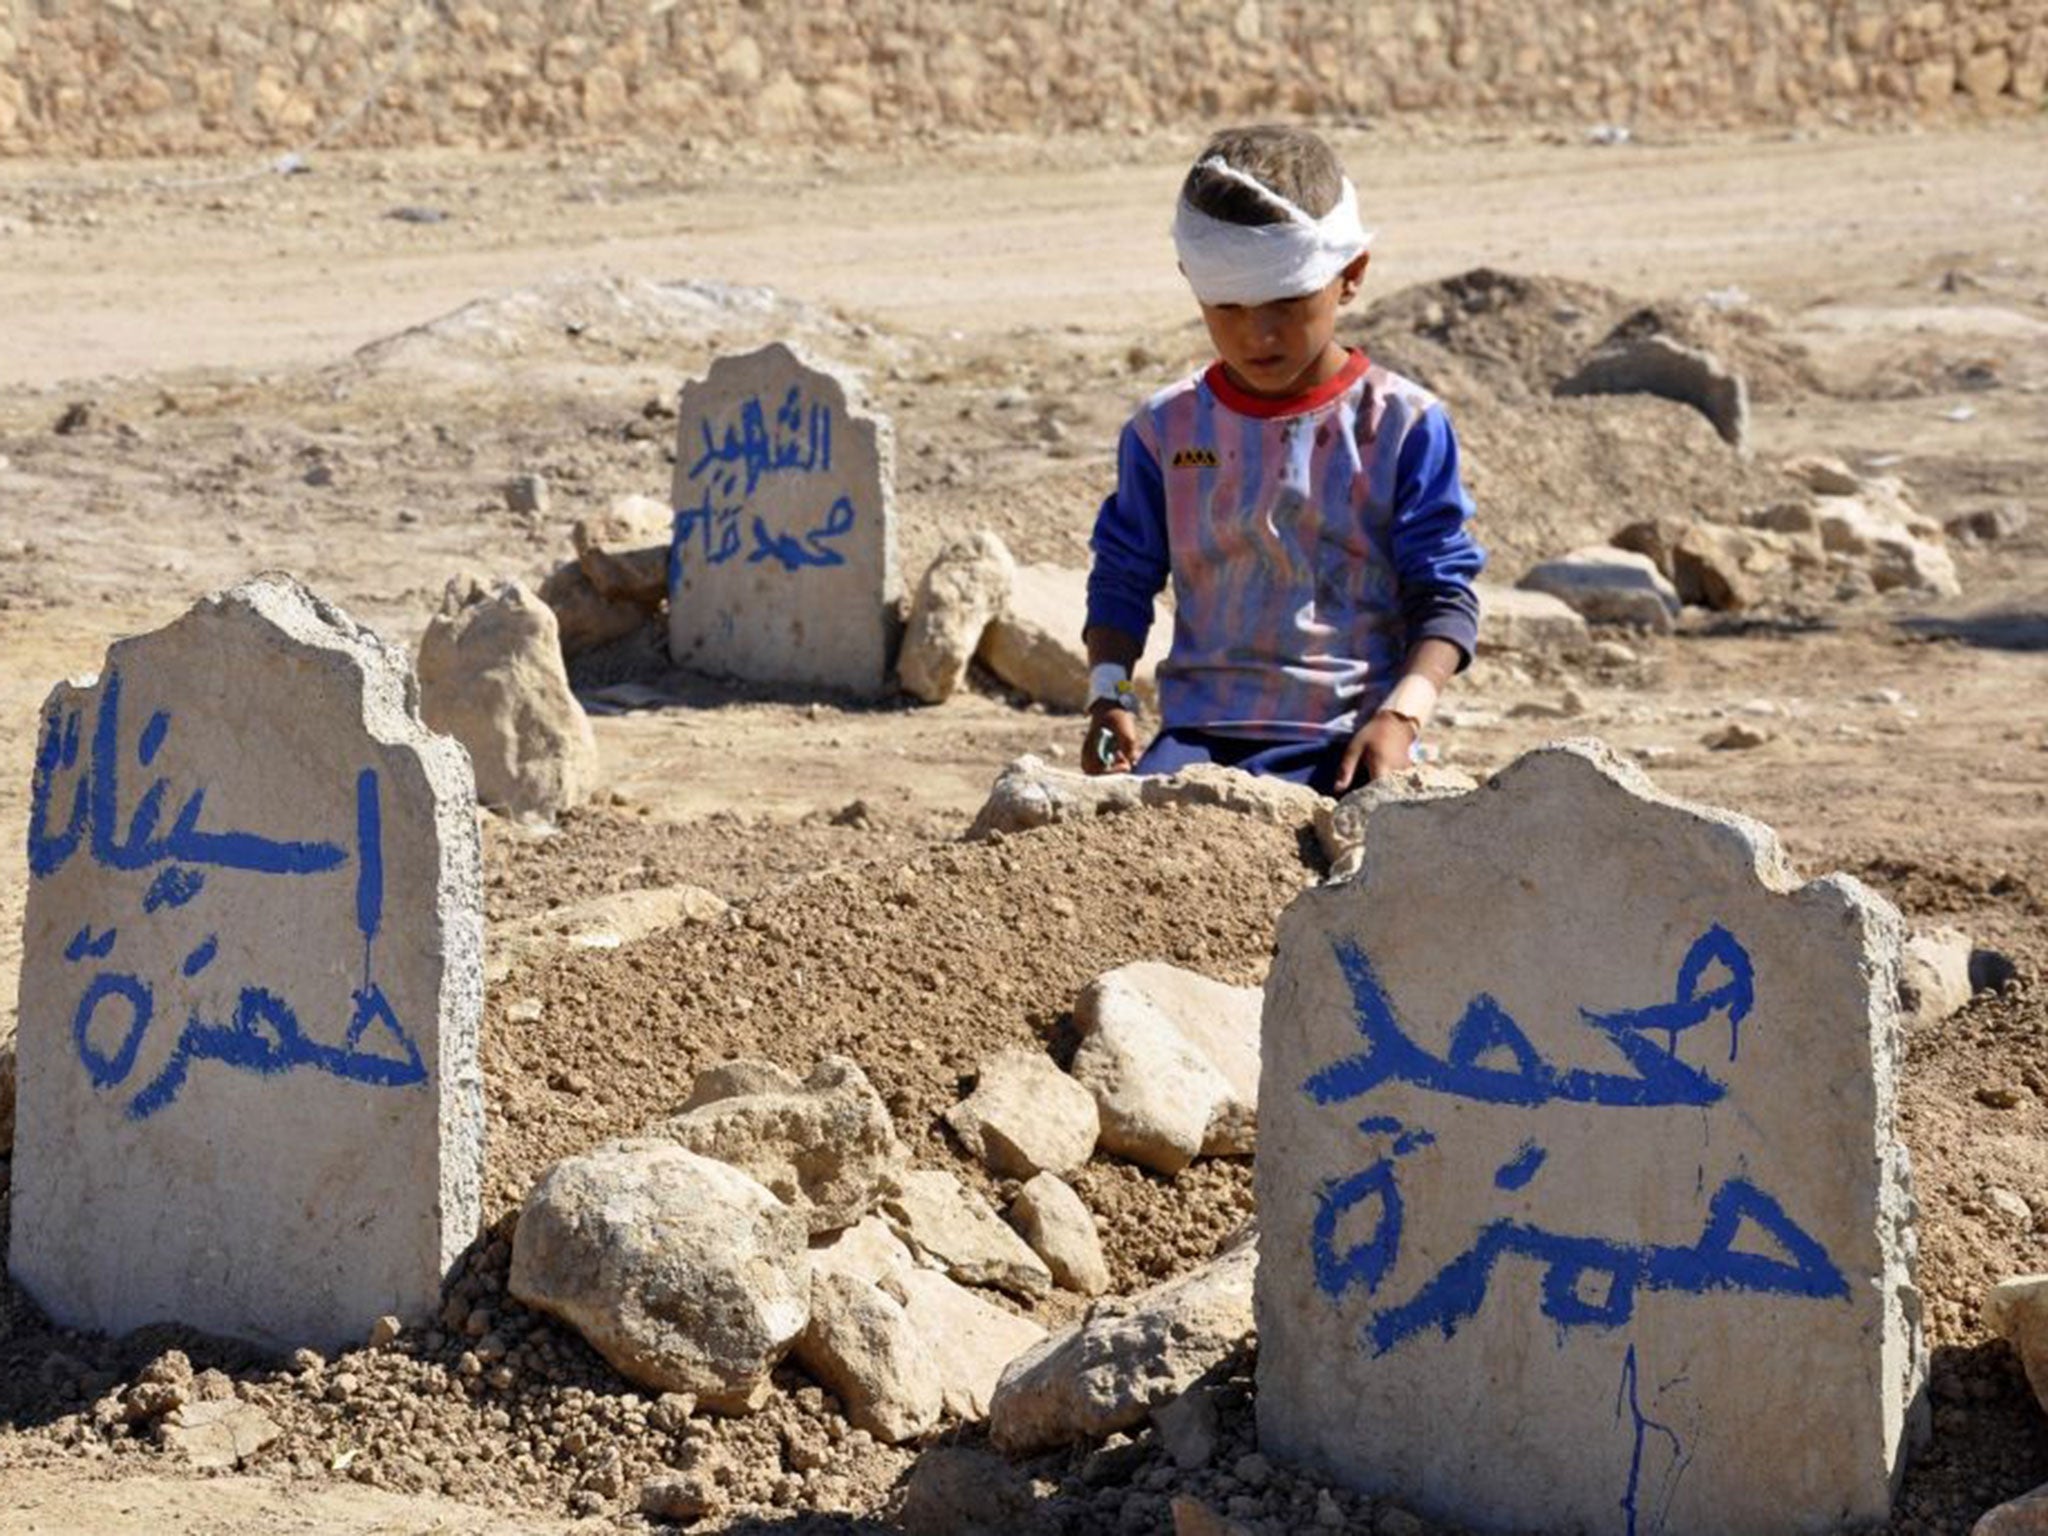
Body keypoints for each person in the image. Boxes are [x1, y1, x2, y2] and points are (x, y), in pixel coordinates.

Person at [1081, 124, 1483, 797]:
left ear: (1349, 276)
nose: (1257, 334)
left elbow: (1443, 593)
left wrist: (1401, 717)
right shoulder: (1164, 430)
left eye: (1287, 304)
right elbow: (1123, 577)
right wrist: (1108, 696)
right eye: (1227, 307)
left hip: (1351, 739)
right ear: (1192, 284)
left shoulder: (1402, 425)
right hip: (1197, 739)